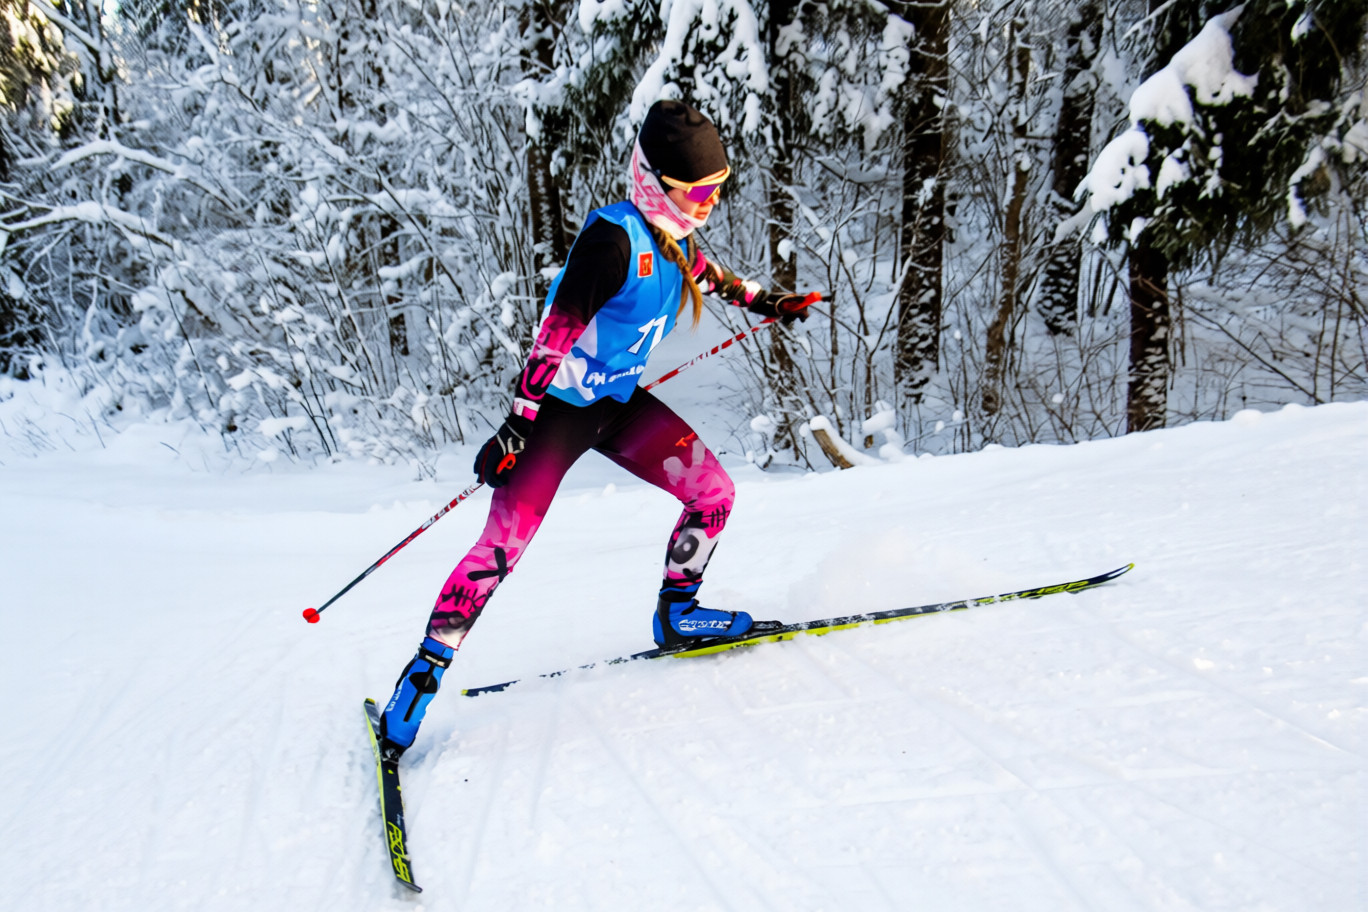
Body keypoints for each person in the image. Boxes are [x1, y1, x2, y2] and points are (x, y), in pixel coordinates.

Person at [377, 100, 820, 759]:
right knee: (498, 552)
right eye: (697, 191)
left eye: (715, 191)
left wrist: (769, 302)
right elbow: (551, 340)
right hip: (554, 415)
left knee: (714, 494)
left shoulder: (673, 240)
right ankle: (416, 684)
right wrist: (514, 429)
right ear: (657, 182)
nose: (707, 204)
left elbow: (711, 276)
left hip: (616, 406)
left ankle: (678, 612)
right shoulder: (612, 241)